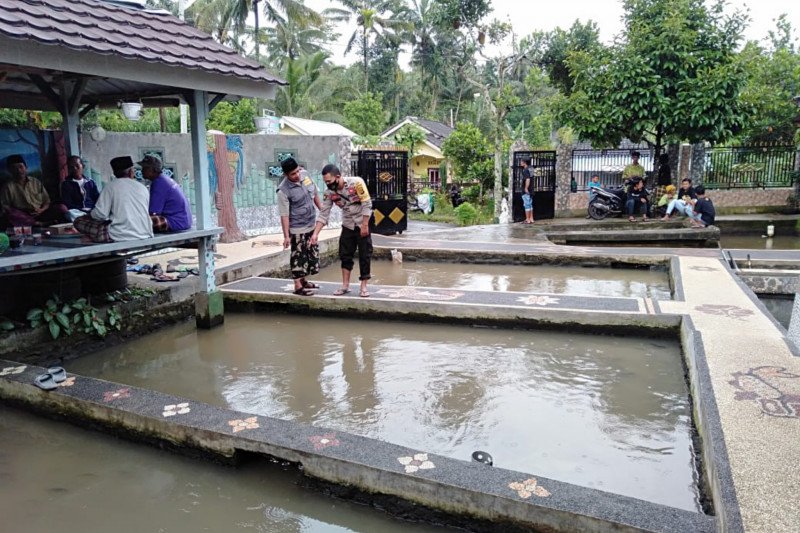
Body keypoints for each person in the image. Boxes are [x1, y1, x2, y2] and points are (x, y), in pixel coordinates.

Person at [310, 164, 373, 298]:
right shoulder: (329, 193)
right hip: (348, 224)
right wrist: (315, 234)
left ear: (338, 177)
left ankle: (364, 286)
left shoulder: (357, 183)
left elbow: (366, 204)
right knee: (345, 254)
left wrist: (365, 225)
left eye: (329, 181)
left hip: (362, 222)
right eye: (325, 182)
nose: (327, 184)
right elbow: (323, 214)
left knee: (365, 255)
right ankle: (345, 285)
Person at [74, 156, 153, 242]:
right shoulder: (143, 188)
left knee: (78, 221)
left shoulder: (110, 186)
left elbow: (100, 215)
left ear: (115, 173)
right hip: (145, 233)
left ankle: (92, 238)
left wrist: (89, 215)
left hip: (118, 235)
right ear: (131, 171)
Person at [277, 157, 322, 296]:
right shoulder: (283, 191)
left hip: (310, 223)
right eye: (293, 174)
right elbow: (284, 215)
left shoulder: (305, 175)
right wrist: (286, 236)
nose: (297, 175)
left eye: (297, 171)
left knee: (309, 254)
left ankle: (303, 280)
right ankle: (297, 286)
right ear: (286, 175)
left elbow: (314, 193)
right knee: (298, 256)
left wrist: (322, 211)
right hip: (297, 227)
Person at [0, 154, 67, 226]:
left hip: (41, 213)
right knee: (10, 214)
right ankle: (38, 224)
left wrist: (41, 210)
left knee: (61, 208)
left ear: (26, 168)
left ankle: (38, 223)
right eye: (14, 168)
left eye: (21, 167)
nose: (19, 170)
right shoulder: (7, 187)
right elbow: (5, 206)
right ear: (10, 171)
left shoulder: (36, 182)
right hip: (23, 216)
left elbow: (47, 201)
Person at [139, 154, 192, 233]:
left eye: (145, 168)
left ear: (153, 170)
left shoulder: (158, 183)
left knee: (141, 221)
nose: (141, 170)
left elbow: (153, 213)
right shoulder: (164, 179)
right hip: (184, 221)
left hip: (176, 223)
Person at [520, 157, 534, 224]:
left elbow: (527, 179)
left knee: (527, 204)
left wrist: (526, 188)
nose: (520, 162)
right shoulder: (531, 168)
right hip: (531, 189)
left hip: (527, 190)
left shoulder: (525, 170)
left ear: (524, 162)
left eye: (521, 161)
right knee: (530, 204)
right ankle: (531, 218)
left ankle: (527, 219)